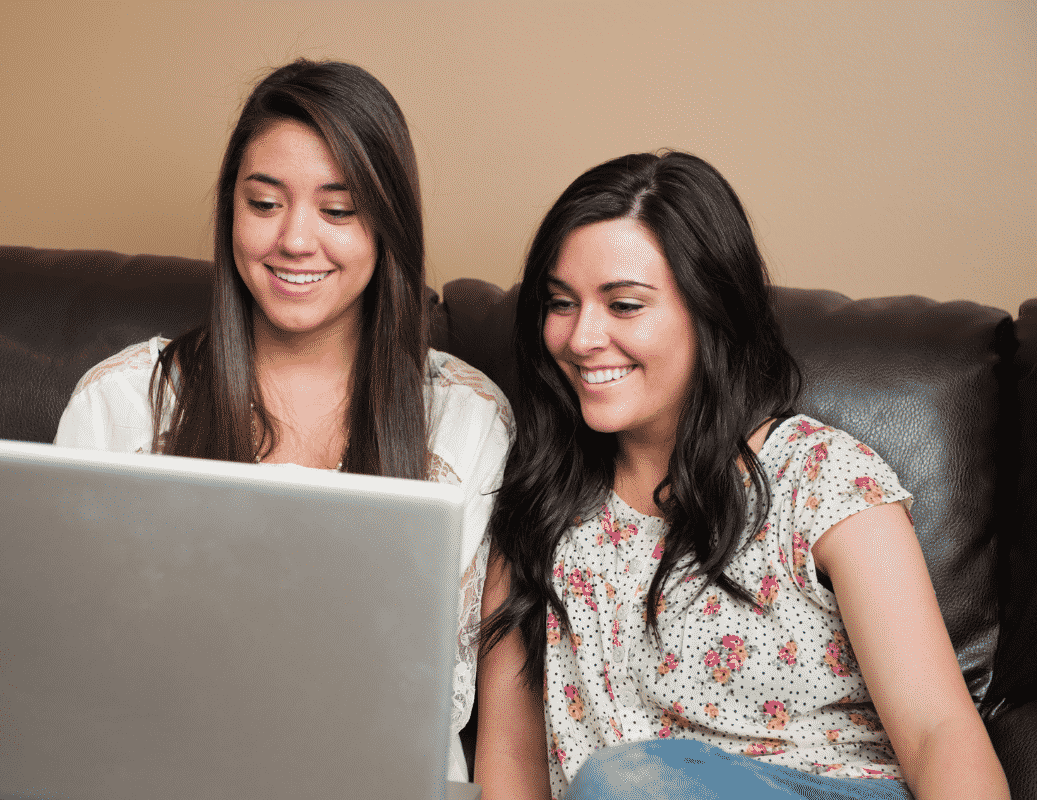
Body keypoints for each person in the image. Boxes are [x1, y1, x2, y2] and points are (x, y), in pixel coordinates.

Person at [474, 152, 1008, 799]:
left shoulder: (824, 479)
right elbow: (509, 765)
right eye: (561, 303)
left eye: (624, 305)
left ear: (711, 312)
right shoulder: (537, 512)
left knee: (632, 780)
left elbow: (939, 734)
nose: (582, 337)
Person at [54, 59, 513, 781]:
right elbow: (66, 679)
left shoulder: (471, 419)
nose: (296, 240)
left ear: (388, 224)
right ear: (230, 211)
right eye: (264, 203)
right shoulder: (117, 406)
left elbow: (491, 706)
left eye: (338, 210)